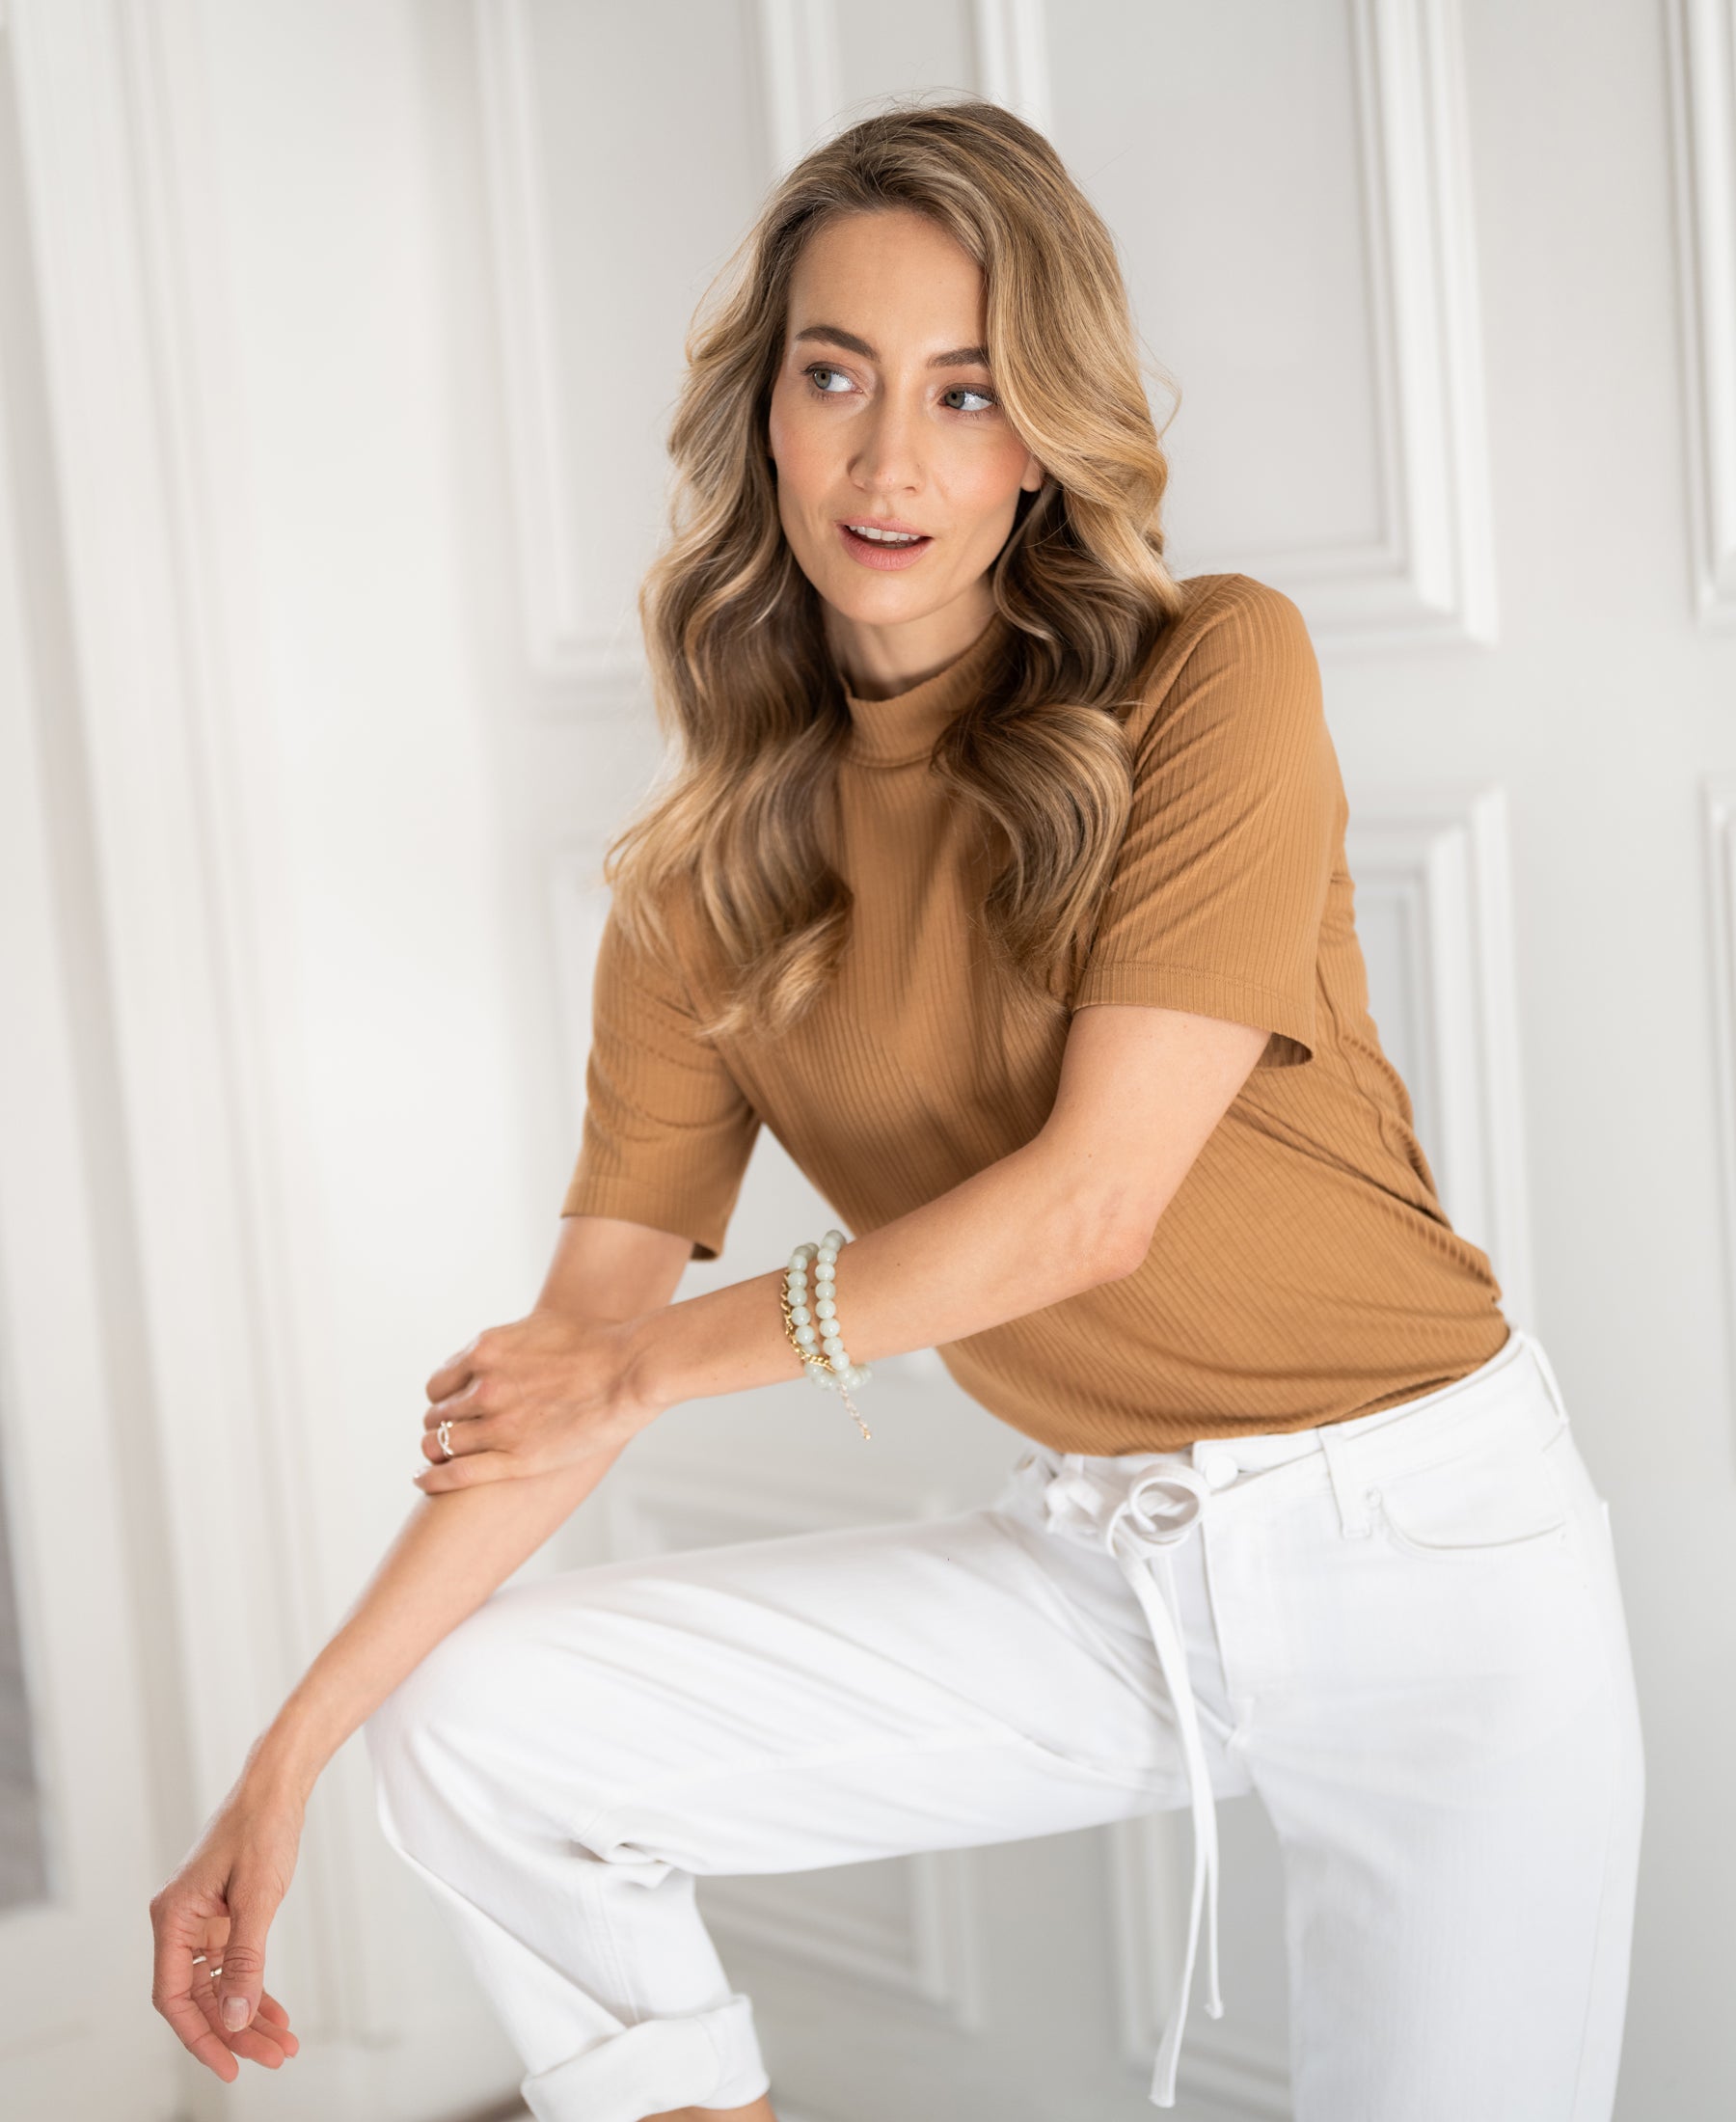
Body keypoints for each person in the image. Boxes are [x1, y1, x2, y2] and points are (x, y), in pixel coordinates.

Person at [148, 97, 1644, 2122]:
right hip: (1112, 1569)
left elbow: (1090, 1206)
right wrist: (286, 1753)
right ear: (763, 412)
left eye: (965, 390)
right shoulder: (704, 890)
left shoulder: (1215, 675)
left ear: (1042, 434)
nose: (888, 459)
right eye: (836, 375)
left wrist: (651, 1371)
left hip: (1431, 1555)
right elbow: (571, 1366)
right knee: (471, 1724)